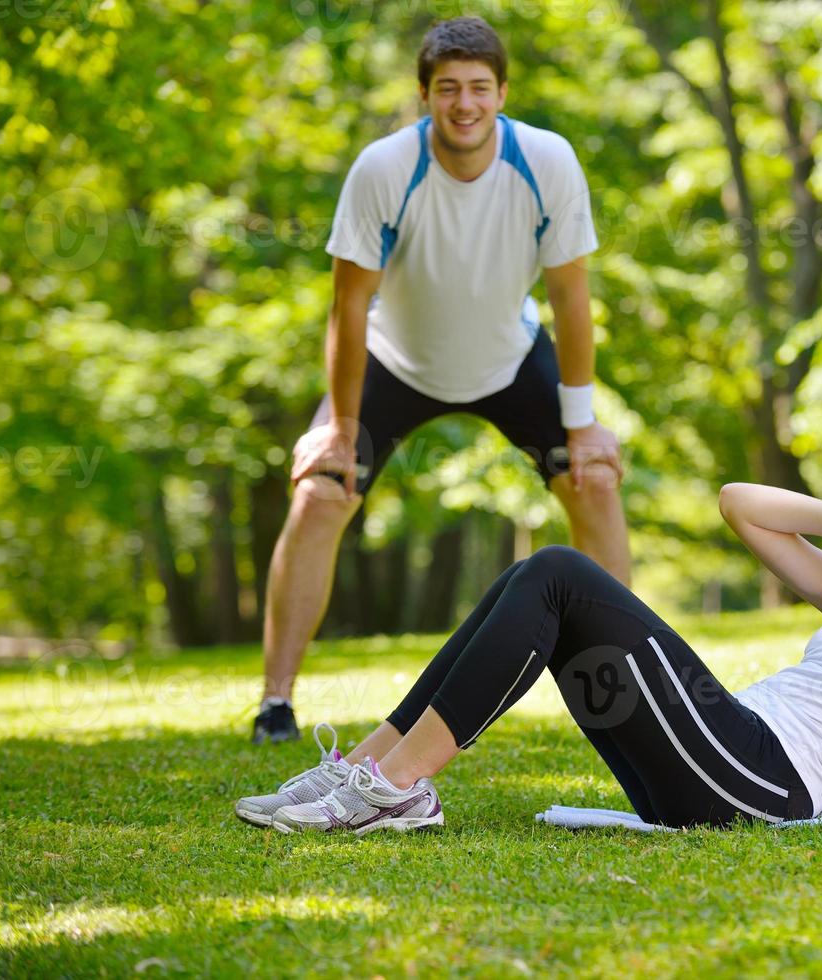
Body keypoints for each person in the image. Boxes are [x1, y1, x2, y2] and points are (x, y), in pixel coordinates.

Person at [234, 456, 822, 833]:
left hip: (762, 781)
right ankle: (371, 767)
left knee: (555, 570)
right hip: (721, 747)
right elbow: (742, 501)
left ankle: (395, 791)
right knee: (528, 584)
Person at [252, 16, 631, 744]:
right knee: (319, 494)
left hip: (508, 359)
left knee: (597, 480)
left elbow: (570, 298)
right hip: (394, 363)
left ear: (502, 93)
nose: (464, 104)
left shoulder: (546, 161)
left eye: (479, 88)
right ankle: (275, 704)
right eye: (448, 88)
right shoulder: (384, 170)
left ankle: (632, 690)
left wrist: (582, 423)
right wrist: (336, 425)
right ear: (424, 95)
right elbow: (349, 305)